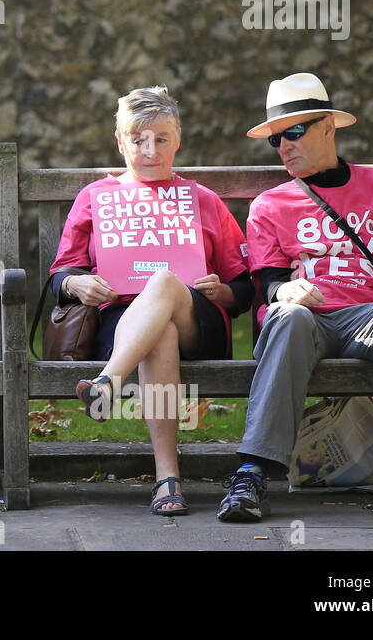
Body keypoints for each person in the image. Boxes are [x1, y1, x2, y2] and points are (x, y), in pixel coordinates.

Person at [217, 73, 373, 522]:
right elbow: (266, 281)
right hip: (307, 319)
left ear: (329, 127)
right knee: (287, 317)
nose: (284, 145)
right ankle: (252, 474)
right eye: (275, 140)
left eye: (294, 132)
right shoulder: (270, 205)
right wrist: (285, 289)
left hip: (372, 316)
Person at [49, 87, 252, 515]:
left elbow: (244, 287)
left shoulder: (203, 200)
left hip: (200, 324)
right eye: (137, 139)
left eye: (161, 138)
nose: (149, 149)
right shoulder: (96, 198)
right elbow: (60, 275)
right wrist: (78, 286)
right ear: (120, 141)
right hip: (122, 328)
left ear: (177, 138)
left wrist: (225, 291)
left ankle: (107, 384)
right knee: (162, 333)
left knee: (162, 281)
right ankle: (167, 481)